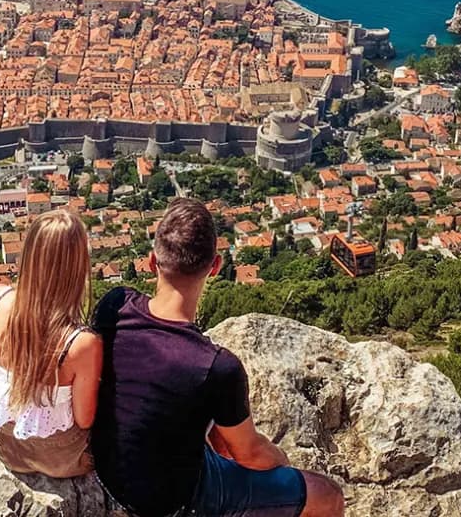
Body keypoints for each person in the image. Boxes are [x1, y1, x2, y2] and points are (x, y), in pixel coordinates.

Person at [92, 198, 344, 517]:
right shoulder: (215, 365)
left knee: (217, 430)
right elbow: (250, 454)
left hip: (111, 477)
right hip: (179, 502)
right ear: (216, 266)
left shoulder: (115, 305)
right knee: (327, 495)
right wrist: (282, 462)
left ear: (152, 261)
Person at [0, 209, 102, 478]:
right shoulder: (81, 343)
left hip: (8, 448)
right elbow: (84, 419)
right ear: (77, 268)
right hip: (60, 460)